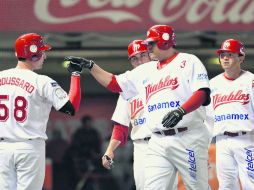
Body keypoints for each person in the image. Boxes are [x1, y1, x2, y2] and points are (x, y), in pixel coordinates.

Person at [65, 24, 211, 190]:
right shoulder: (146, 70)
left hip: (187, 136)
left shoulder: (188, 61)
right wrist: (91, 66)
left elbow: (203, 93)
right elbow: (114, 83)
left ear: (165, 42)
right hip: (157, 142)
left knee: (197, 187)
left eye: (151, 43)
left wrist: (181, 110)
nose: (148, 47)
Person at [0, 33, 84, 190]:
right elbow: (71, 107)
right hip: (29, 147)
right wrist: (75, 74)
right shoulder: (41, 81)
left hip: (2, 148)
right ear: (33, 54)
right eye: (42, 51)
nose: (44, 55)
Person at [102, 40, 153, 190]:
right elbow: (121, 125)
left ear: (151, 55)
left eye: (143, 55)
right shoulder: (128, 87)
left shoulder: (165, 80)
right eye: (134, 59)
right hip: (141, 146)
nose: (139, 61)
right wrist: (110, 149)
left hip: (165, 140)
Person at [207, 39, 254, 190]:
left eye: (230, 54)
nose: (225, 58)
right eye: (222, 55)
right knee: (226, 185)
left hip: (247, 139)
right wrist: (204, 147)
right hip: (222, 141)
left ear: (241, 57)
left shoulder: (251, 81)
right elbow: (208, 119)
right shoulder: (212, 84)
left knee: (250, 184)